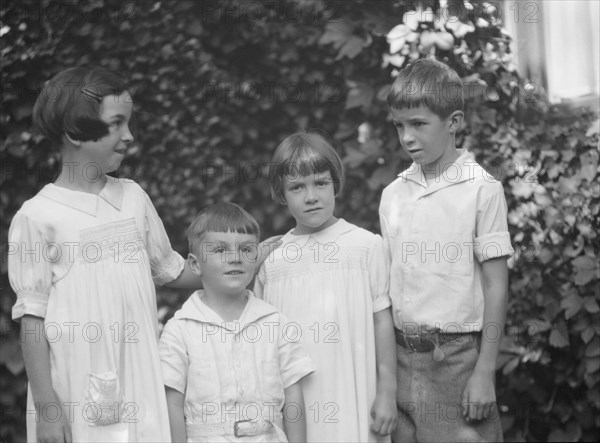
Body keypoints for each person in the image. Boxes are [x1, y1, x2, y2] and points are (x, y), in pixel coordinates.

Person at [8, 66, 204, 442]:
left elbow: (173, 271)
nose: (129, 136)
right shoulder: (37, 216)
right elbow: (32, 321)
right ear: (73, 133)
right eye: (116, 124)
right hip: (77, 386)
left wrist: (250, 262)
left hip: (141, 376)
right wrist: (48, 412)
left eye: (128, 124)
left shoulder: (133, 198)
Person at [379, 58, 514, 442]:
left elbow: (495, 286)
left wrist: (485, 370)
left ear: (453, 122)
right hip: (401, 357)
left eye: (418, 124)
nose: (406, 137)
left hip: (455, 360)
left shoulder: (481, 189)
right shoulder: (394, 194)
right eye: (399, 125)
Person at [254, 132, 397, 442]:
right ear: (281, 193)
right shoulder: (272, 259)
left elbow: (382, 321)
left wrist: (387, 391)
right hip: (295, 408)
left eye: (320, 183)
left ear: (336, 184)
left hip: (356, 397)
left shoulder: (365, 246)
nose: (311, 196)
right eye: (297, 187)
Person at [159, 202, 315, 442]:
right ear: (194, 264)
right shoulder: (180, 329)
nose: (235, 258)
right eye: (220, 250)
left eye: (246, 249)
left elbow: (293, 396)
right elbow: (172, 403)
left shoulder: (275, 323)